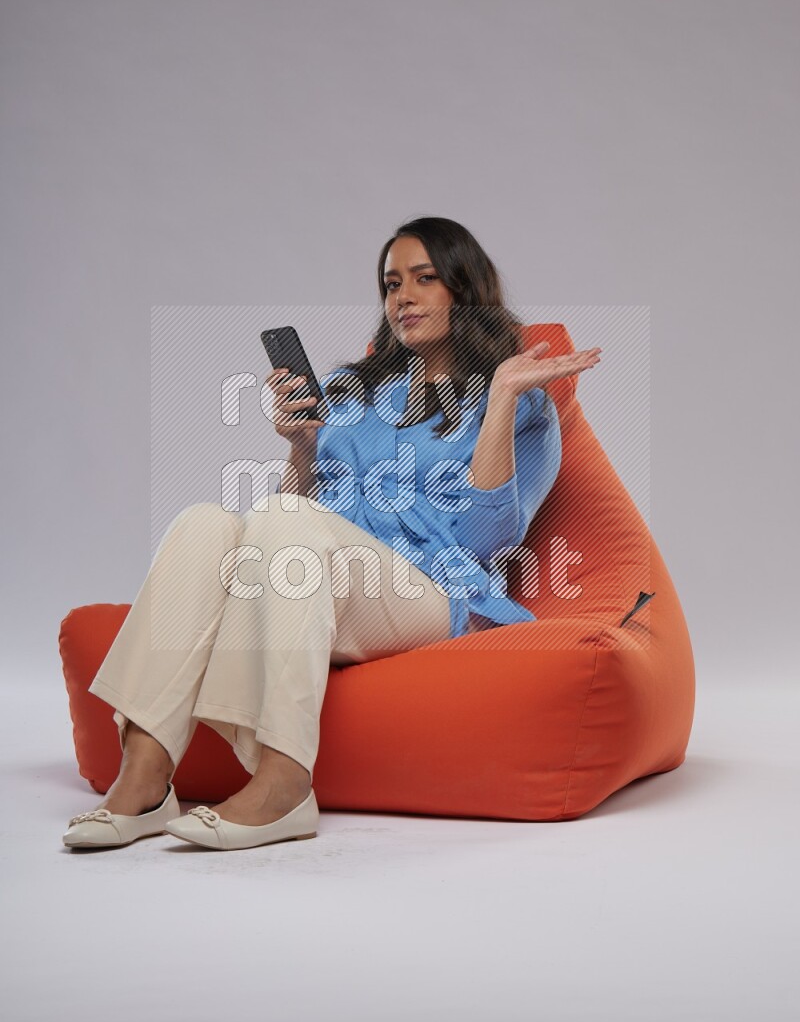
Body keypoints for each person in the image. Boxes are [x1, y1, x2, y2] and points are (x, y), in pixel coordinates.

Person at [62, 216, 601, 852]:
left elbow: (487, 537)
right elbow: (288, 523)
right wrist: (303, 449)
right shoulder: (354, 395)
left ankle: (285, 780)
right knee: (204, 523)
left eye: (424, 279)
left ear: (466, 288)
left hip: (435, 592)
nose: (402, 297)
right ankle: (146, 776)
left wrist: (503, 395)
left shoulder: (524, 403)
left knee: (284, 523)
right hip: (329, 582)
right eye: (390, 283)